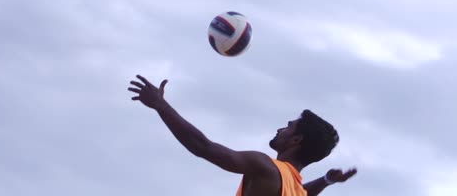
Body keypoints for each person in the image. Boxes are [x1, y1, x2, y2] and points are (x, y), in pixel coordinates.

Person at [128, 75, 357, 196]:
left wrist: (160, 105)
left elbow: (203, 147)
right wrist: (326, 181)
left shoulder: (266, 167)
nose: (280, 129)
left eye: (289, 127)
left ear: (296, 140)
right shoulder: (293, 187)